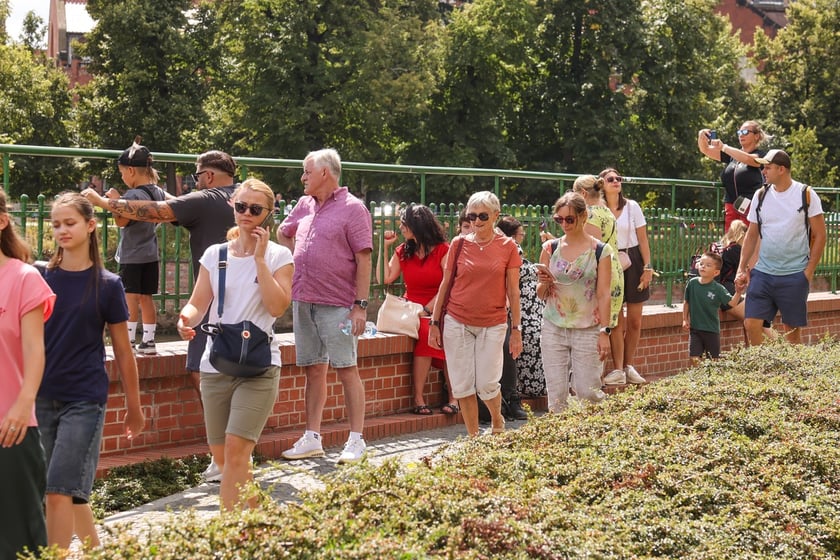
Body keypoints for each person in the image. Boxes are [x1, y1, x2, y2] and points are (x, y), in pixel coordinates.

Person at [83, 149, 237, 482]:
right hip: (247, 300)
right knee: (240, 371)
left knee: (201, 373)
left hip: (212, 301)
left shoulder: (206, 198)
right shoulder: (245, 197)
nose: (196, 183)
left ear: (207, 176)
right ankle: (238, 449)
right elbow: (175, 204)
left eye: (196, 177)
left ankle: (225, 455)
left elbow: (157, 211)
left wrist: (101, 200)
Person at [37, 192, 145, 551]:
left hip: (84, 399)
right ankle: (97, 552)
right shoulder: (40, 276)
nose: (62, 230)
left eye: (70, 223)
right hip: (40, 396)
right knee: (67, 491)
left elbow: (124, 352)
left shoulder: (109, 285)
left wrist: (134, 405)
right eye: (56, 224)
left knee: (57, 492)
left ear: (90, 225)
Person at [176, 179, 293, 511]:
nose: (246, 214)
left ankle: (230, 534)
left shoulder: (279, 255)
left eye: (255, 209)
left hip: (259, 365)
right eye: (241, 206)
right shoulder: (216, 255)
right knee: (226, 459)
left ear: (268, 214)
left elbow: (277, 307)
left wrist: (259, 261)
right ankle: (254, 524)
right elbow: (199, 301)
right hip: (216, 363)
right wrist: (186, 318)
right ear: (232, 206)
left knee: (237, 449)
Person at [277, 149, 373, 464]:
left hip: (341, 307)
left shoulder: (353, 208)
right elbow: (283, 231)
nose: (302, 177)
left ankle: (356, 439)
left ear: (325, 174)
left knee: (347, 368)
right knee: (313, 369)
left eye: (306, 172)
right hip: (304, 300)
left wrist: (360, 306)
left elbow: (364, 258)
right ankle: (312, 437)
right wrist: (298, 256)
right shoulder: (304, 205)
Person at [428, 191, 522, 437]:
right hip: (457, 321)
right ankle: (473, 438)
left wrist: (516, 330)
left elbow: (513, 292)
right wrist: (435, 322)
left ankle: (497, 420)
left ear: (495, 216)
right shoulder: (459, 244)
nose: (477, 221)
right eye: (472, 216)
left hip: (493, 323)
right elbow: (445, 284)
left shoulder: (508, 247)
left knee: (487, 384)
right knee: (462, 384)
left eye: (483, 216)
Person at [0, 190, 56, 559]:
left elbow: (36, 350)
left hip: (11, 427)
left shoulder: (24, 279)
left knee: (18, 542)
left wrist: (22, 406)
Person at [735, 149, 826, 345]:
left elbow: (820, 236)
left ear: (781, 169)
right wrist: (741, 268)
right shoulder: (760, 195)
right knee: (751, 323)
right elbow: (751, 235)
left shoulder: (806, 194)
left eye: (767, 168)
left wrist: (808, 272)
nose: (763, 171)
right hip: (763, 272)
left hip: (795, 274)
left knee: (791, 333)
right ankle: (762, 369)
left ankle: (791, 373)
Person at [536, 192, 612, 412]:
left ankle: (594, 438)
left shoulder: (600, 251)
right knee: (556, 395)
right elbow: (541, 294)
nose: (564, 224)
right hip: (553, 326)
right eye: (559, 220)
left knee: (588, 392)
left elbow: (604, 293)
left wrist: (604, 331)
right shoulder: (550, 248)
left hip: (588, 328)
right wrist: (545, 281)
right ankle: (560, 442)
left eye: (570, 219)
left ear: (583, 216)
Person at [380, 204, 458, 415]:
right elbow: (384, 278)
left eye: (404, 223)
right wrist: (383, 247)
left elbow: (447, 284)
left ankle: (453, 397)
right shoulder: (404, 250)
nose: (401, 227)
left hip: (438, 304)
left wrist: (427, 308)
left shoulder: (444, 250)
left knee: (437, 333)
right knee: (425, 331)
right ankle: (418, 397)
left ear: (417, 225)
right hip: (411, 307)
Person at [107, 139, 168, 354]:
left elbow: (122, 221)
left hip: (132, 255)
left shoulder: (132, 196)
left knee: (129, 297)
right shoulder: (157, 191)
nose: (123, 177)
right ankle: (149, 341)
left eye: (123, 173)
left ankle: (129, 341)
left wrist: (116, 202)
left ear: (131, 171)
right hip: (150, 254)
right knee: (147, 298)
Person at [602, 168, 652, 385]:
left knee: (635, 321)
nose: (615, 182)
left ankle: (629, 366)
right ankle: (618, 368)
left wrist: (648, 267)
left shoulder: (632, 207)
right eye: (610, 179)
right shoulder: (599, 208)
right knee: (616, 320)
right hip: (609, 260)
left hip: (633, 259)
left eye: (618, 179)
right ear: (601, 183)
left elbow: (643, 239)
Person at [496, 216, 536, 416]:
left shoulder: (506, 247)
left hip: (506, 311)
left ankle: (511, 397)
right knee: (504, 345)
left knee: (510, 344)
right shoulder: (465, 246)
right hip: (482, 312)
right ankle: (499, 399)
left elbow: (513, 290)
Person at [573, 174, 623, 330]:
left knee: (593, 332)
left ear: (583, 193)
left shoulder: (591, 215)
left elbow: (591, 252)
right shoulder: (606, 211)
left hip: (601, 278)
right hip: (614, 272)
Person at [697, 121, 767, 231]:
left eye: (745, 132)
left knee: (746, 242)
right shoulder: (732, 155)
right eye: (739, 132)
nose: (741, 135)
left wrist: (724, 147)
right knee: (730, 242)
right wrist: (701, 137)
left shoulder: (761, 155)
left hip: (750, 206)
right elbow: (705, 150)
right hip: (731, 206)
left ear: (756, 136)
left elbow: (750, 159)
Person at [682, 251, 743, 364]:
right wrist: (685, 319)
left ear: (716, 272)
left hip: (711, 330)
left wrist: (738, 292)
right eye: (701, 263)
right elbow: (686, 302)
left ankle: (712, 379)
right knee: (694, 358)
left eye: (708, 265)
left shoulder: (718, 289)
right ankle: (698, 378)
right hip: (695, 330)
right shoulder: (692, 283)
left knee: (713, 361)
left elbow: (732, 303)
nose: (703, 266)